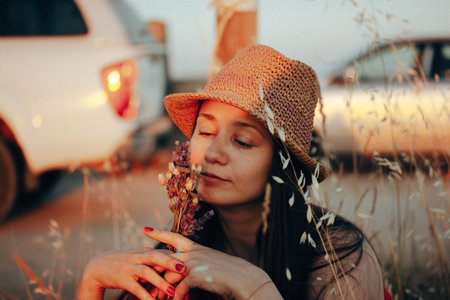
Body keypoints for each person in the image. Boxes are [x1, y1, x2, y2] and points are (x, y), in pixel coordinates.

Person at [76, 44, 390, 300]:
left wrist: (256, 287)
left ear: (283, 165)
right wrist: (92, 282)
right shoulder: (180, 253)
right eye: (206, 132)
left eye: (241, 141)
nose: (212, 154)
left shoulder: (340, 260)